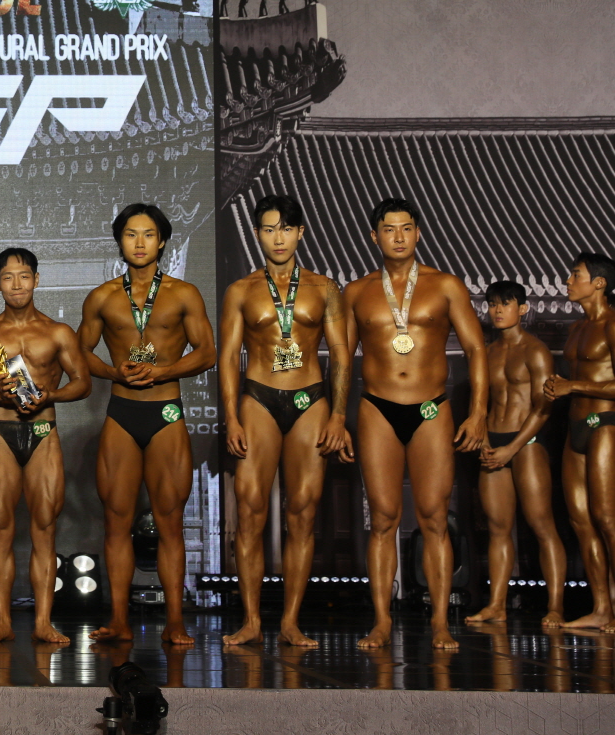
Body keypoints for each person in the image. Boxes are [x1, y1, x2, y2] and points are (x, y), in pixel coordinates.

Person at [345, 198, 487, 650]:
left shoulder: (445, 285)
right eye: (389, 229)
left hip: (430, 408)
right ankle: (382, 621)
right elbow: (341, 361)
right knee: (383, 518)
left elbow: (476, 349)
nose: (399, 237)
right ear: (374, 236)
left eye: (407, 228)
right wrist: (334, 416)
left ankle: (441, 621)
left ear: (418, 233)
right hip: (377, 408)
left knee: (434, 517)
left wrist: (478, 413)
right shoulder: (357, 292)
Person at [218, 195, 353, 647]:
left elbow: (340, 354)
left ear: (300, 233)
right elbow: (227, 358)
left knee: (303, 511)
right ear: (257, 234)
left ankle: (291, 621)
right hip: (258, 397)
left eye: (286, 229)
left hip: (310, 399)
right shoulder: (240, 290)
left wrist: (339, 415)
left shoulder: (325, 288)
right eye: (269, 229)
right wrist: (231, 417)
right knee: (249, 508)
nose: (278, 238)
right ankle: (252, 621)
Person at [78, 203, 215, 645]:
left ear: (162, 242)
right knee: (116, 520)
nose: (139, 243)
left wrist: (164, 371)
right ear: (119, 241)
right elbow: (80, 354)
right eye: (131, 234)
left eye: (148, 234)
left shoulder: (184, 294)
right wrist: (113, 373)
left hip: (165, 412)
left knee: (170, 521)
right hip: (121, 412)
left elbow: (207, 352)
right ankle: (119, 620)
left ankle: (175, 622)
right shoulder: (102, 297)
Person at [0, 248, 90, 643]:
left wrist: (51, 395)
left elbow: (82, 383)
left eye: (24, 276)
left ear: (36, 279)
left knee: (44, 528)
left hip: (43, 432)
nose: (17, 285)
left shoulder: (58, 332)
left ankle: (43, 623)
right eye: (8, 277)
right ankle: (2, 621)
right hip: (2, 432)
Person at [464, 280, 564, 626]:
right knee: (497, 528)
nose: (498, 310)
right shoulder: (486, 353)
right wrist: (485, 440)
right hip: (493, 441)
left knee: (541, 524)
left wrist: (512, 447)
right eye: (493, 304)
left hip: (526, 442)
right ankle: (496, 605)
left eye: (505, 304)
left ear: (522, 309)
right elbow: (479, 404)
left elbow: (543, 408)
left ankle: (555, 607)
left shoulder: (536, 350)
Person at [544, 253, 615, 631]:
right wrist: (558, 387)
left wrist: (574, 386)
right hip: (576, 427)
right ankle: (602, 608)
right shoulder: (576, 328)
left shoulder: (612, 324)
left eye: (576, 275)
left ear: (599, 283)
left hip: (605, 423)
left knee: (607, 518)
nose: (568, 281)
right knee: (581, 521)